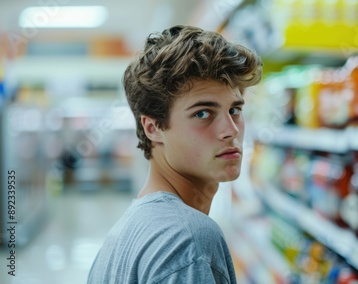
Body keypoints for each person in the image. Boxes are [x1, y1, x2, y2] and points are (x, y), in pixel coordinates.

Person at [87, 25, 262, 283]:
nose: (231, 130)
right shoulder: (189, 239)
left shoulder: (122, 235)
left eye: (235, 110)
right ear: (154, 128)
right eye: (203, 113)